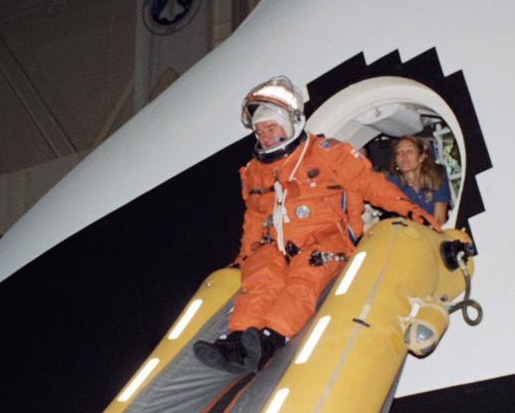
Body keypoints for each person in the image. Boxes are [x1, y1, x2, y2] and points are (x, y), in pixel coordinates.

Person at [194, 76, 441, 373]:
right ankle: (237, 341)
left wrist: (418, 216)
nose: (266, 137)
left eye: (271, 128)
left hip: (325, 239)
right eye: (260, 131)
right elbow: (255, 218)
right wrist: (243, 257)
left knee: (302, 279)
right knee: (260, 275)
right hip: (277, 243)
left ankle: (270, 338)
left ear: (290, 122)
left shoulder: (328, 153)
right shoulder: (255, 173)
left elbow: (374, 187)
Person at [387, 135, 452, 227]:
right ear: (396, 161)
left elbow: (439, 219)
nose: (404, 156)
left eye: (409, 151)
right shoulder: (391, 185)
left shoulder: (437, 175)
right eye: (399, 153)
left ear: (421, 157)